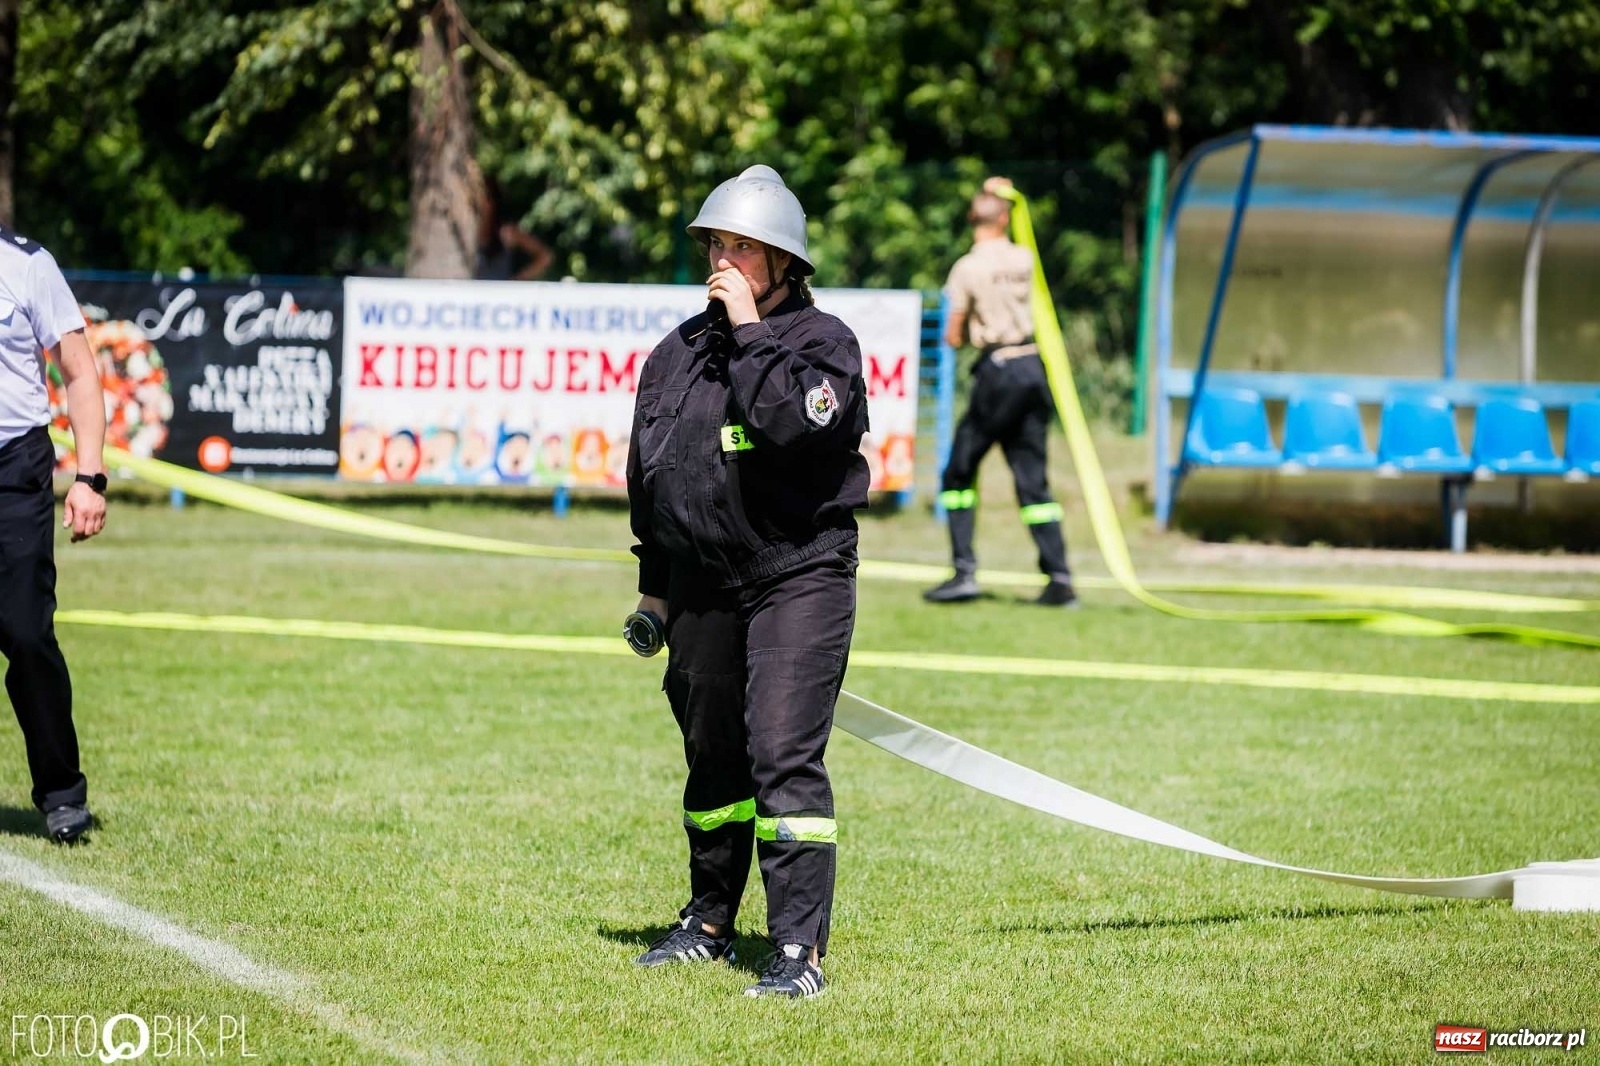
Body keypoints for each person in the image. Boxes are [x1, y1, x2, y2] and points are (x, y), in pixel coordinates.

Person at [625, 165, 868, 999]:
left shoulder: (822, 344)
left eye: (744, 248)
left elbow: (791, 425)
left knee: (781, 753)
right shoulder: (675, 355)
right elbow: (651, 477)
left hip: (799, 572)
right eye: (716, 246)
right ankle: (708, 923)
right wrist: (654, 591)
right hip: (700, 580)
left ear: (784, 261)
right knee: (712, 758)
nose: (723, 262)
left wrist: (750, 332)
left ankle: (798, 951)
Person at [0, 223, 108, 842]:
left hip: (13, 469)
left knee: (26, 632)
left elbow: (80, 372)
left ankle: (62, 793)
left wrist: (89, 476)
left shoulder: (29, 265)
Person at [924, 177, 1076, 607]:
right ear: (1005, 219)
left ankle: (964, 572)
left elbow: (953, 335)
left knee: (958, 473)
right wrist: (1009, 196)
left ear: (971, 219)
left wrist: (964, 331)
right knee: (1033, 484)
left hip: (999, 373)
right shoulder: (1025, 258)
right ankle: (1060, 580)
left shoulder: (967, 268)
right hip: (1033, 369)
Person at [473, 175, 554, 282]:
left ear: (492, 202)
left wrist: (518, 279)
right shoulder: (475, 226)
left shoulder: (507, 232)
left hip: (499, 289)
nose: (479, 201)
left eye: (484, 197)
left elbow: (545, 256)